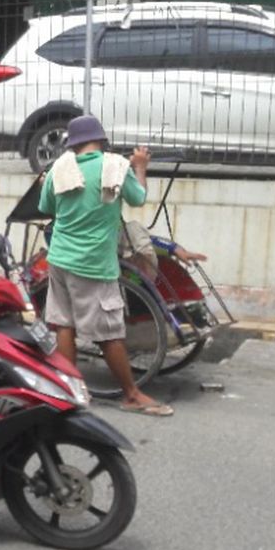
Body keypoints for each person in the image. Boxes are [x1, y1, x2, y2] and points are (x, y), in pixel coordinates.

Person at [38, 115, 173, 417]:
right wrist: (140, 166)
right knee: (109, 333)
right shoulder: (115, 166)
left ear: (72, 143)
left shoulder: (58, 168)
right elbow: (137, 199)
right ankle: (132, 394)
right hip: (93, 264)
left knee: (64, 323)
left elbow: (46, 208)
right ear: (100, 140)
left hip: (59, 258)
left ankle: (69, 392)